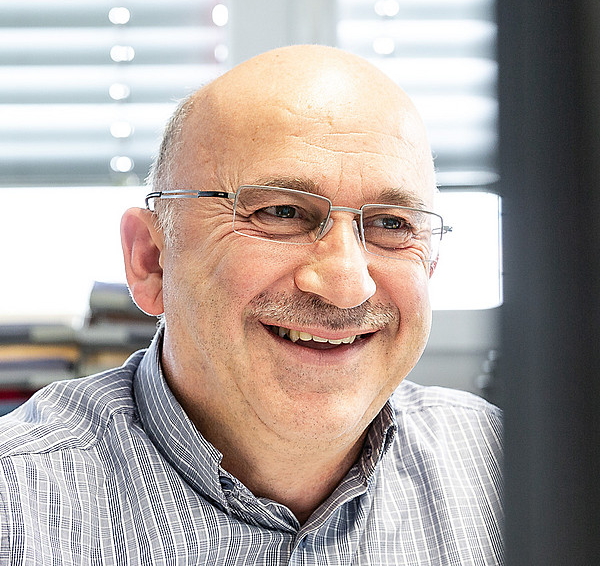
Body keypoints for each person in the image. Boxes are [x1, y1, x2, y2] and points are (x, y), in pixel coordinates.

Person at [0, 45, 503, 565]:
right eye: (282, 212)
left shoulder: (510, 475)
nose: (347, 285)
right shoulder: (17, 512)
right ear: (150, 260)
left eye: (391, 224)